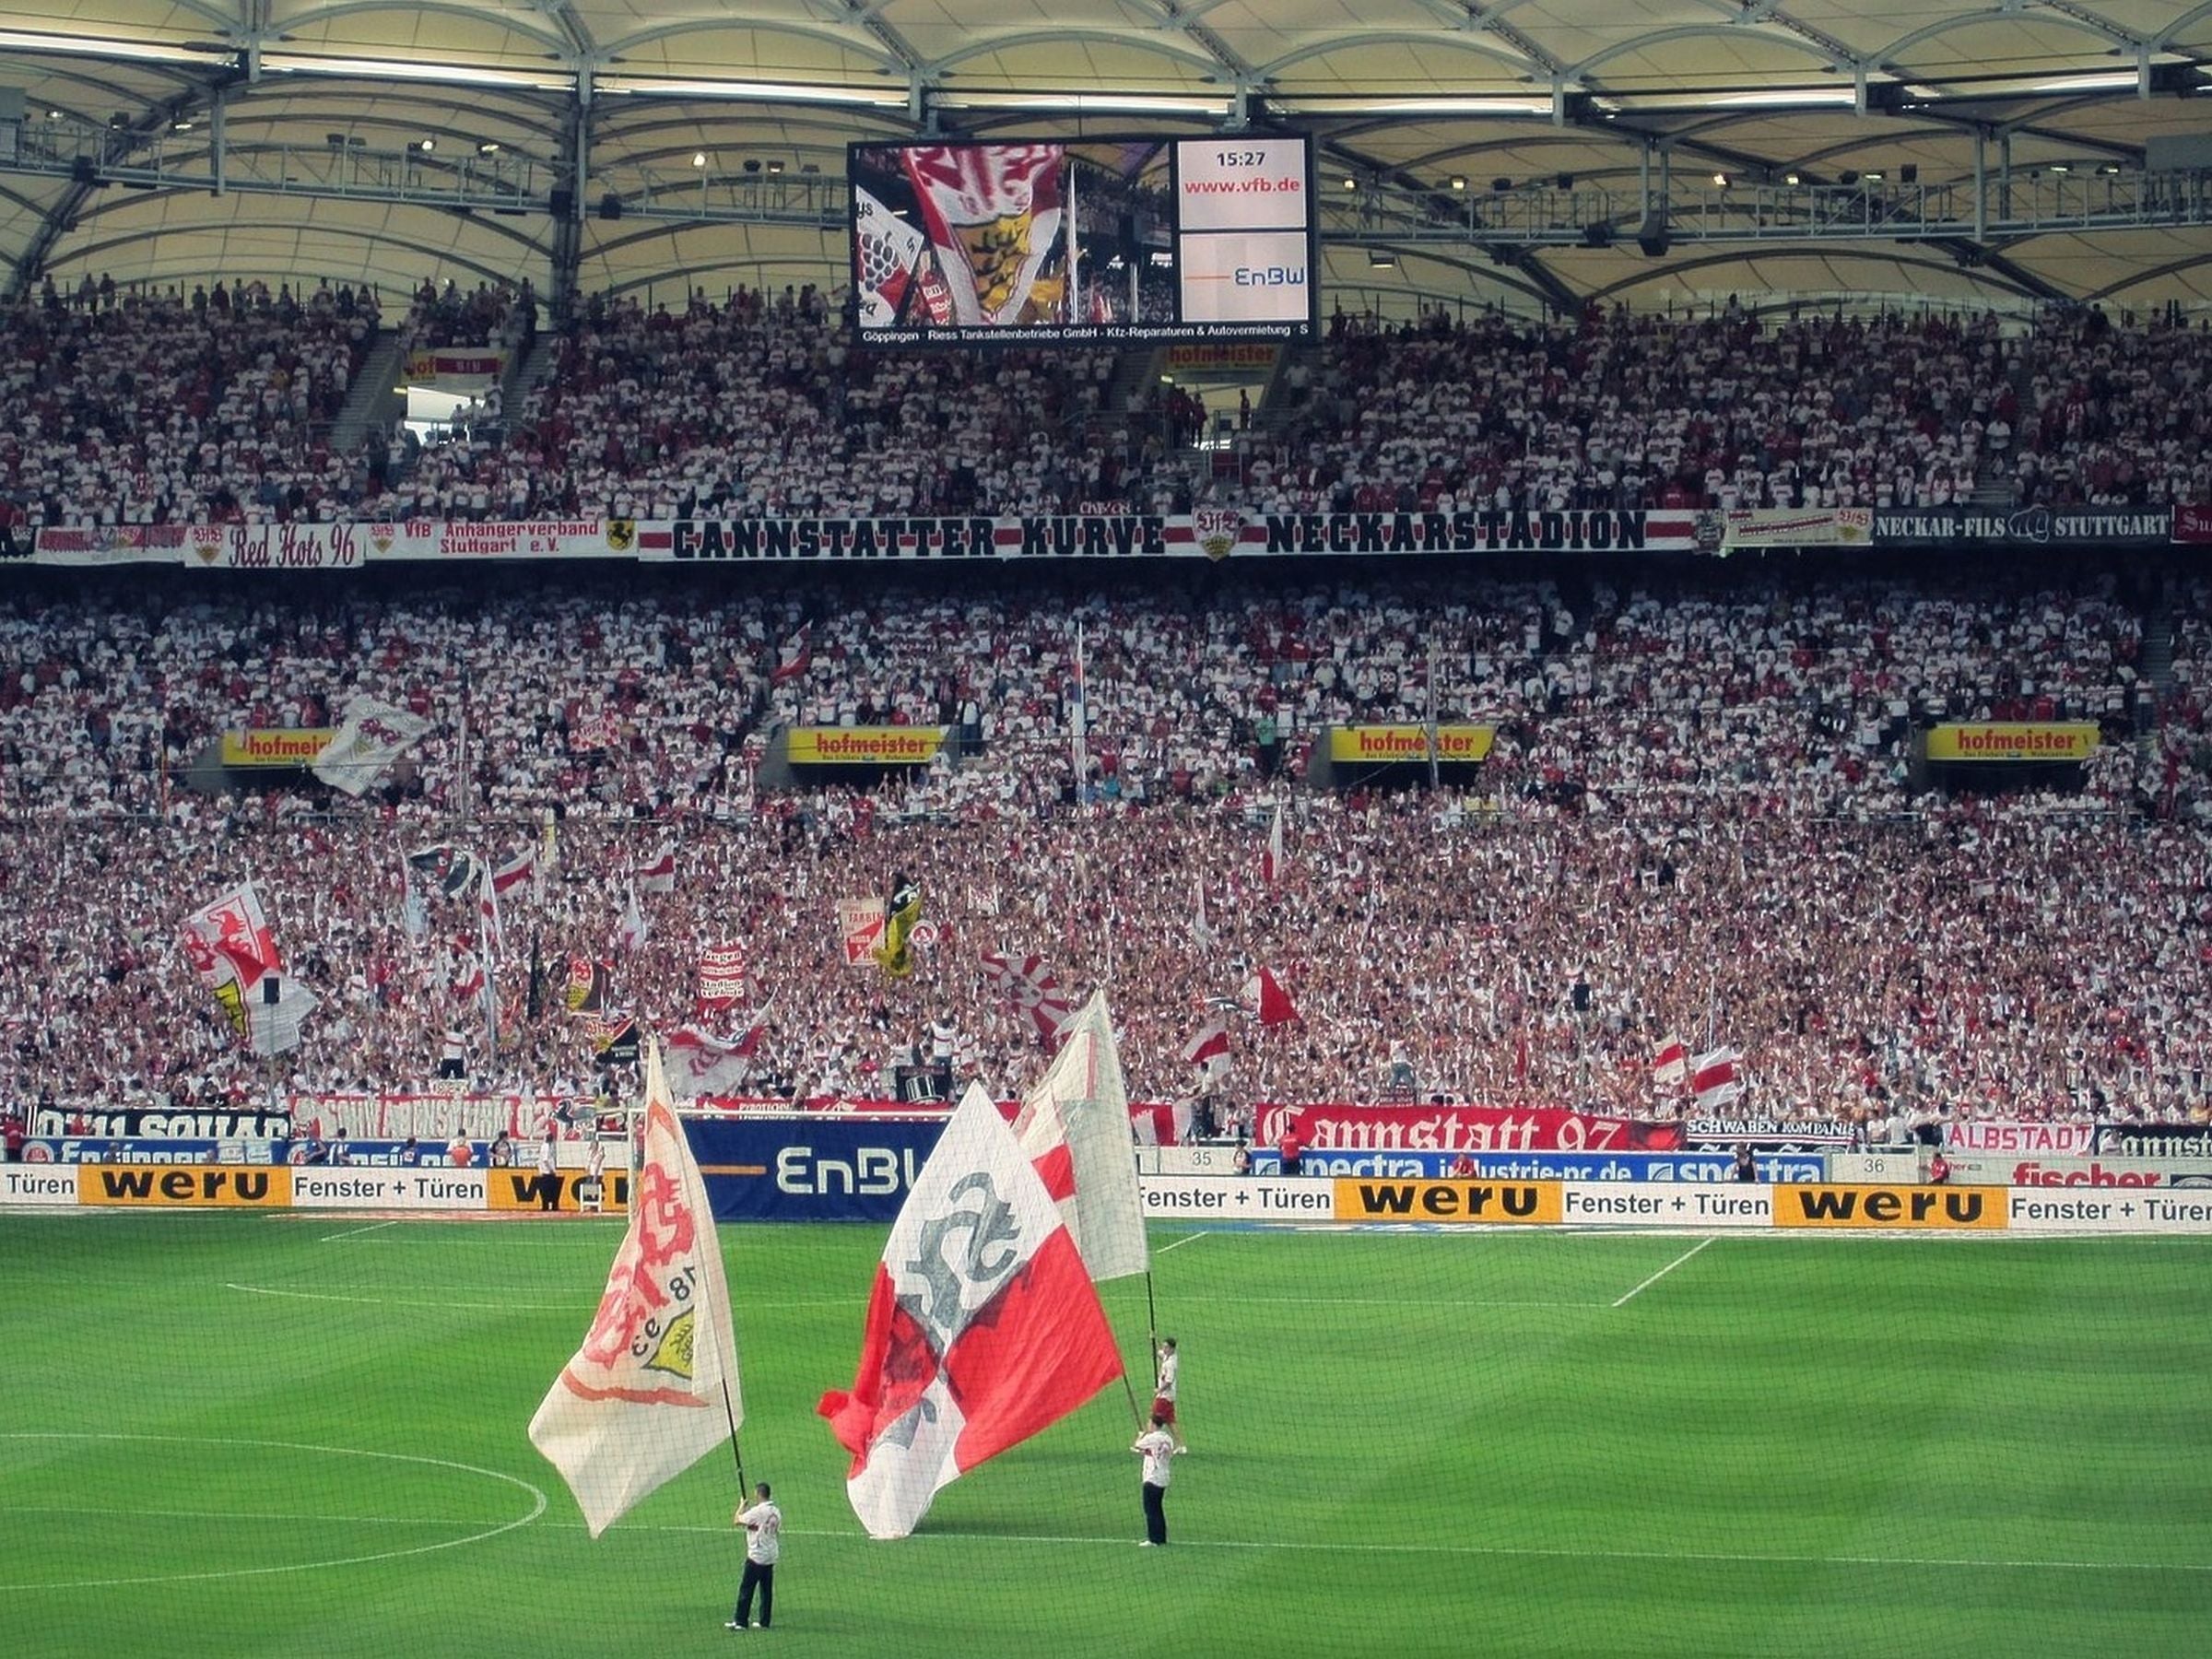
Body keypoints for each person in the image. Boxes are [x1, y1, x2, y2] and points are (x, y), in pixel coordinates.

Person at [728, 1481, 781, 1630]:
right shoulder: (776, 1511)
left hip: (757, 1556)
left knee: (746, 1589)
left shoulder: (757, 1511)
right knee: (766, 1590)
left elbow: (737, 1520)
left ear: (758, 1494)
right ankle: (764, 1621)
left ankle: (741, 1621)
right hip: (770, 1554)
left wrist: (741, 1507)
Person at [1132, 1411, 1175, 1546]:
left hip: (1152, 1478)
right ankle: (1161, 1538)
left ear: (1153, 1424)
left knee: (1150, 1509)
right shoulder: (1167, 1438)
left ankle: (1153, 1539)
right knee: (1158, 1509)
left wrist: (1141, 1435)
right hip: (1163, 1477)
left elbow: (1137, 1445)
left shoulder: (1151, 1438)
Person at [1152, 1336, 1186, 1453]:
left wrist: (1159, 1390)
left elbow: (1169, 1381)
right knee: (1171, 1422)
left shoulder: (1170, 1364)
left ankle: (1148, 1443)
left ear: (1172, 1349)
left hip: (1164, 1397)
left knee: (1153, 1419)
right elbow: (1158, 1353)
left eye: (1166, 1347)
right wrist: (1153, 1338)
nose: (1164, 1349)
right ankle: (1181, 1446)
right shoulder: (1169, 1356)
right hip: (1169, 1397)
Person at [535, 1131, 561, 1211]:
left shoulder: (546, 1146)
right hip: (547, 1173)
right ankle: (550, 1206)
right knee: (551, 1190)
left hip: (546, 1172)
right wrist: (551, 1170)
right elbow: (545, 1160)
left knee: (546, 1190)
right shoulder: (546, 1146)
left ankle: (548, 1206)